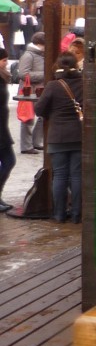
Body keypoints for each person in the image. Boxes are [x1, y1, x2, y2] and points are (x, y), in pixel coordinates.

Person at [33, 51, 84, 224]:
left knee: (60, 175)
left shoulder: (53, 85)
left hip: (58, 136)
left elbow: (39, 110)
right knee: (77, 175)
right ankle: (77, 214)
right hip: (79, 135)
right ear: (76, 66)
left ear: (58, 66)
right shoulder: (84, 83)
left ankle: (60, 214)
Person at [17, 31, 46, 154]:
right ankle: (26, 146)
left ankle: (36, 142)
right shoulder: (29, 55)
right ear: (40, 44)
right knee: (28, 118)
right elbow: (23, 74)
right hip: (29, 91)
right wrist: (44, 75)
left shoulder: (39, 54)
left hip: (38, 90)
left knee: (42, 116)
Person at [0, 48, 16, 212]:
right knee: (9, 161)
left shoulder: (2, 77)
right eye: (4, 60)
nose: (6, 63)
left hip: (2, 128)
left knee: (9, 161)